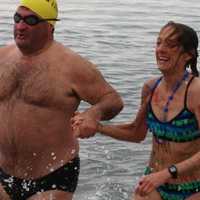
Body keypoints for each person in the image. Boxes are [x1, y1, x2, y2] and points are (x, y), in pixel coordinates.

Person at [0, 0, 123, 199]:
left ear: (50, 26)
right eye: (17, 18)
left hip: (52, 175)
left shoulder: (72, 66)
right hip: (4, 172)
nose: (20, 26)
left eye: (30, 20)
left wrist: (93, 113)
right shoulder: (2, 57)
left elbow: (112, 100)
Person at [72, 21, 200, 200]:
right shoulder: (151, 87)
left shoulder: (196, 91)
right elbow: (136, 133)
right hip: (153, 184)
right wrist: (97, 126)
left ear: (188, 55)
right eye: (158, 43)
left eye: (170, 45)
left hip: (193, 188)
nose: (161, 49)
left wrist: (167, 173)